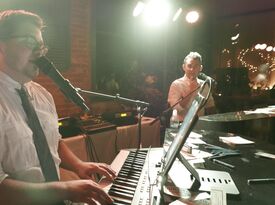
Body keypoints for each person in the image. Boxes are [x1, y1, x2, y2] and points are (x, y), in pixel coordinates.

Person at [0, 10, 116, 205]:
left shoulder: (43, 95)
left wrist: (79, 166)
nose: (39, 52)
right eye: (29, 41)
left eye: (41, 45)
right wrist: (62, 189)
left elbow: (53, 140)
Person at [167, 52, 215, 122]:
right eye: (189, 66)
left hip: (200, 124)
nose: (192, 69)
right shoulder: (176, 84)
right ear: (184, 67)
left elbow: (210, 106)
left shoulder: (204, 85)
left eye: (196, 66)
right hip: (181, 125)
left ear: (200, 68)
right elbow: (177, 109)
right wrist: (191, 90)